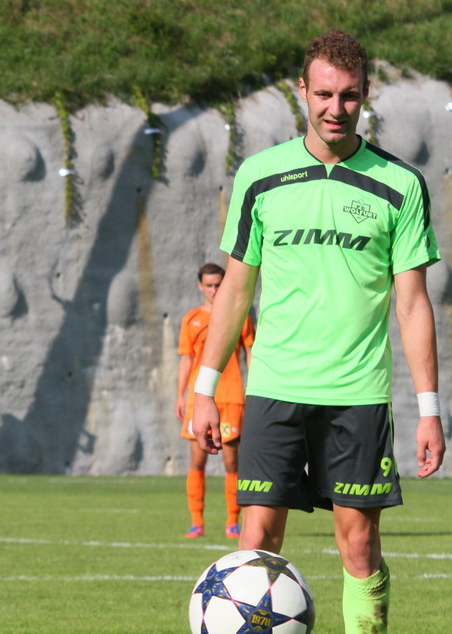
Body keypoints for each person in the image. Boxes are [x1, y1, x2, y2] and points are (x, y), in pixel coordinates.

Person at [192, 30, 446, 633]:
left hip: (357, 394)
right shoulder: (260, 176)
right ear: (302, 91)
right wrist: (205, 387)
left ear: (366, 94)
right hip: (275, 387)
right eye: (325, 94)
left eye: (349, 95)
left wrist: (430, 409)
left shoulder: (400, 185)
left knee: (359, 544)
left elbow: (413, 305)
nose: (336, 108)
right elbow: (235, 291)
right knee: (256, 544)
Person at [175, 263, 254, 539]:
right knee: (197, 460)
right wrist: (180, 395)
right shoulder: (191, 319)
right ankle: (196, 522)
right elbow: (186, 360)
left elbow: (250, 353)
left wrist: (254, 390)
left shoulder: (240, 315)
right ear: (200, 286)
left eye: (218, 284)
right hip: (198, 400)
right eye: (208, 285)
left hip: (231, 398)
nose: (214, 290)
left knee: (232, 463)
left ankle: (233, 522)